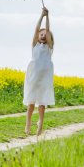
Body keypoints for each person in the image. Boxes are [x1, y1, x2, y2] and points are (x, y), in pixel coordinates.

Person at [23, 7, 55, 136]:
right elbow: (37, 29)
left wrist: (47, 17)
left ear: (48, 37)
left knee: (42, 103)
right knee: (31, 103)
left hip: (45, 79)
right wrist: (41, 15)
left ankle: (40, 124)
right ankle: (28, 123)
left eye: (45, 34)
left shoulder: (49, 47)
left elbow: (47, 30)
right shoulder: (34, 45)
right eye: (40, 34)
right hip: (33, 77)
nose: (42, 35)